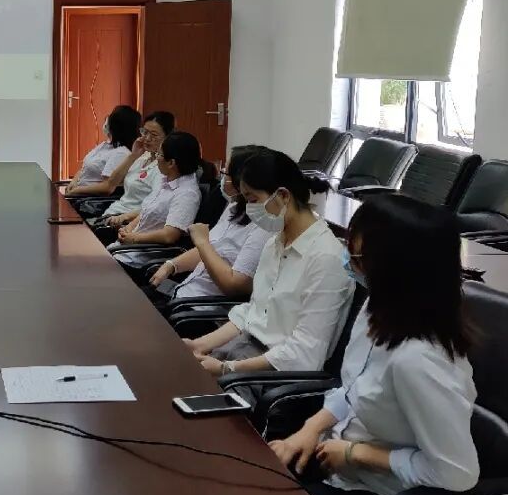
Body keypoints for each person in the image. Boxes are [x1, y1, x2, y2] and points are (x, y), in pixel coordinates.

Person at [269, 194, 478, 495]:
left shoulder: (419, 361)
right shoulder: (378, 309)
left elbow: (457, 473)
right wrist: (309, 430)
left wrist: (357, 454)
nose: (347, 259)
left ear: (392, 270)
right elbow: (355, 387)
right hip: (344, 468)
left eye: (356, 255)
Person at [184, 149, 353, 377]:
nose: (250, 210)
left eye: (253, 200)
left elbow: (304, 354)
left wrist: (227, 369)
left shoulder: (327, 258)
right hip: (243, 350)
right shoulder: (275, 242)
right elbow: (253, 313)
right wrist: (198, 345)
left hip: (274, 374)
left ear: (283, 195)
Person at [145, 145, 270, 305]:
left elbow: (234, 286)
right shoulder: (234, 207)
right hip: (182, 291)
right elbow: (208, 250)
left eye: (226, 173)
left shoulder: (264, 227)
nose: (222, 178)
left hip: (197, 307)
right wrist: (171, 265)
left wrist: (202, 242)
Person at [107, 131, 203, 255]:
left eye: (159, 154)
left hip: (140, 254)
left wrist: (135, 238)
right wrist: (128, 229)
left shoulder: (187, 194)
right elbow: (146, 211)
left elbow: (169, 235)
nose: (156, 158)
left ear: (171, 163)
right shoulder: (166, 180)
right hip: (125, 248)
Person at [64, 105, 140, 193]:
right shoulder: (105, 145)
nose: (106, 120)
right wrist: (74, 181)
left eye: (110, 118)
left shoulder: (121, 153)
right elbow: (84, 168)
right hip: (78, 192)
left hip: (89, 198)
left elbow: (107, 187)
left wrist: (77, 191)